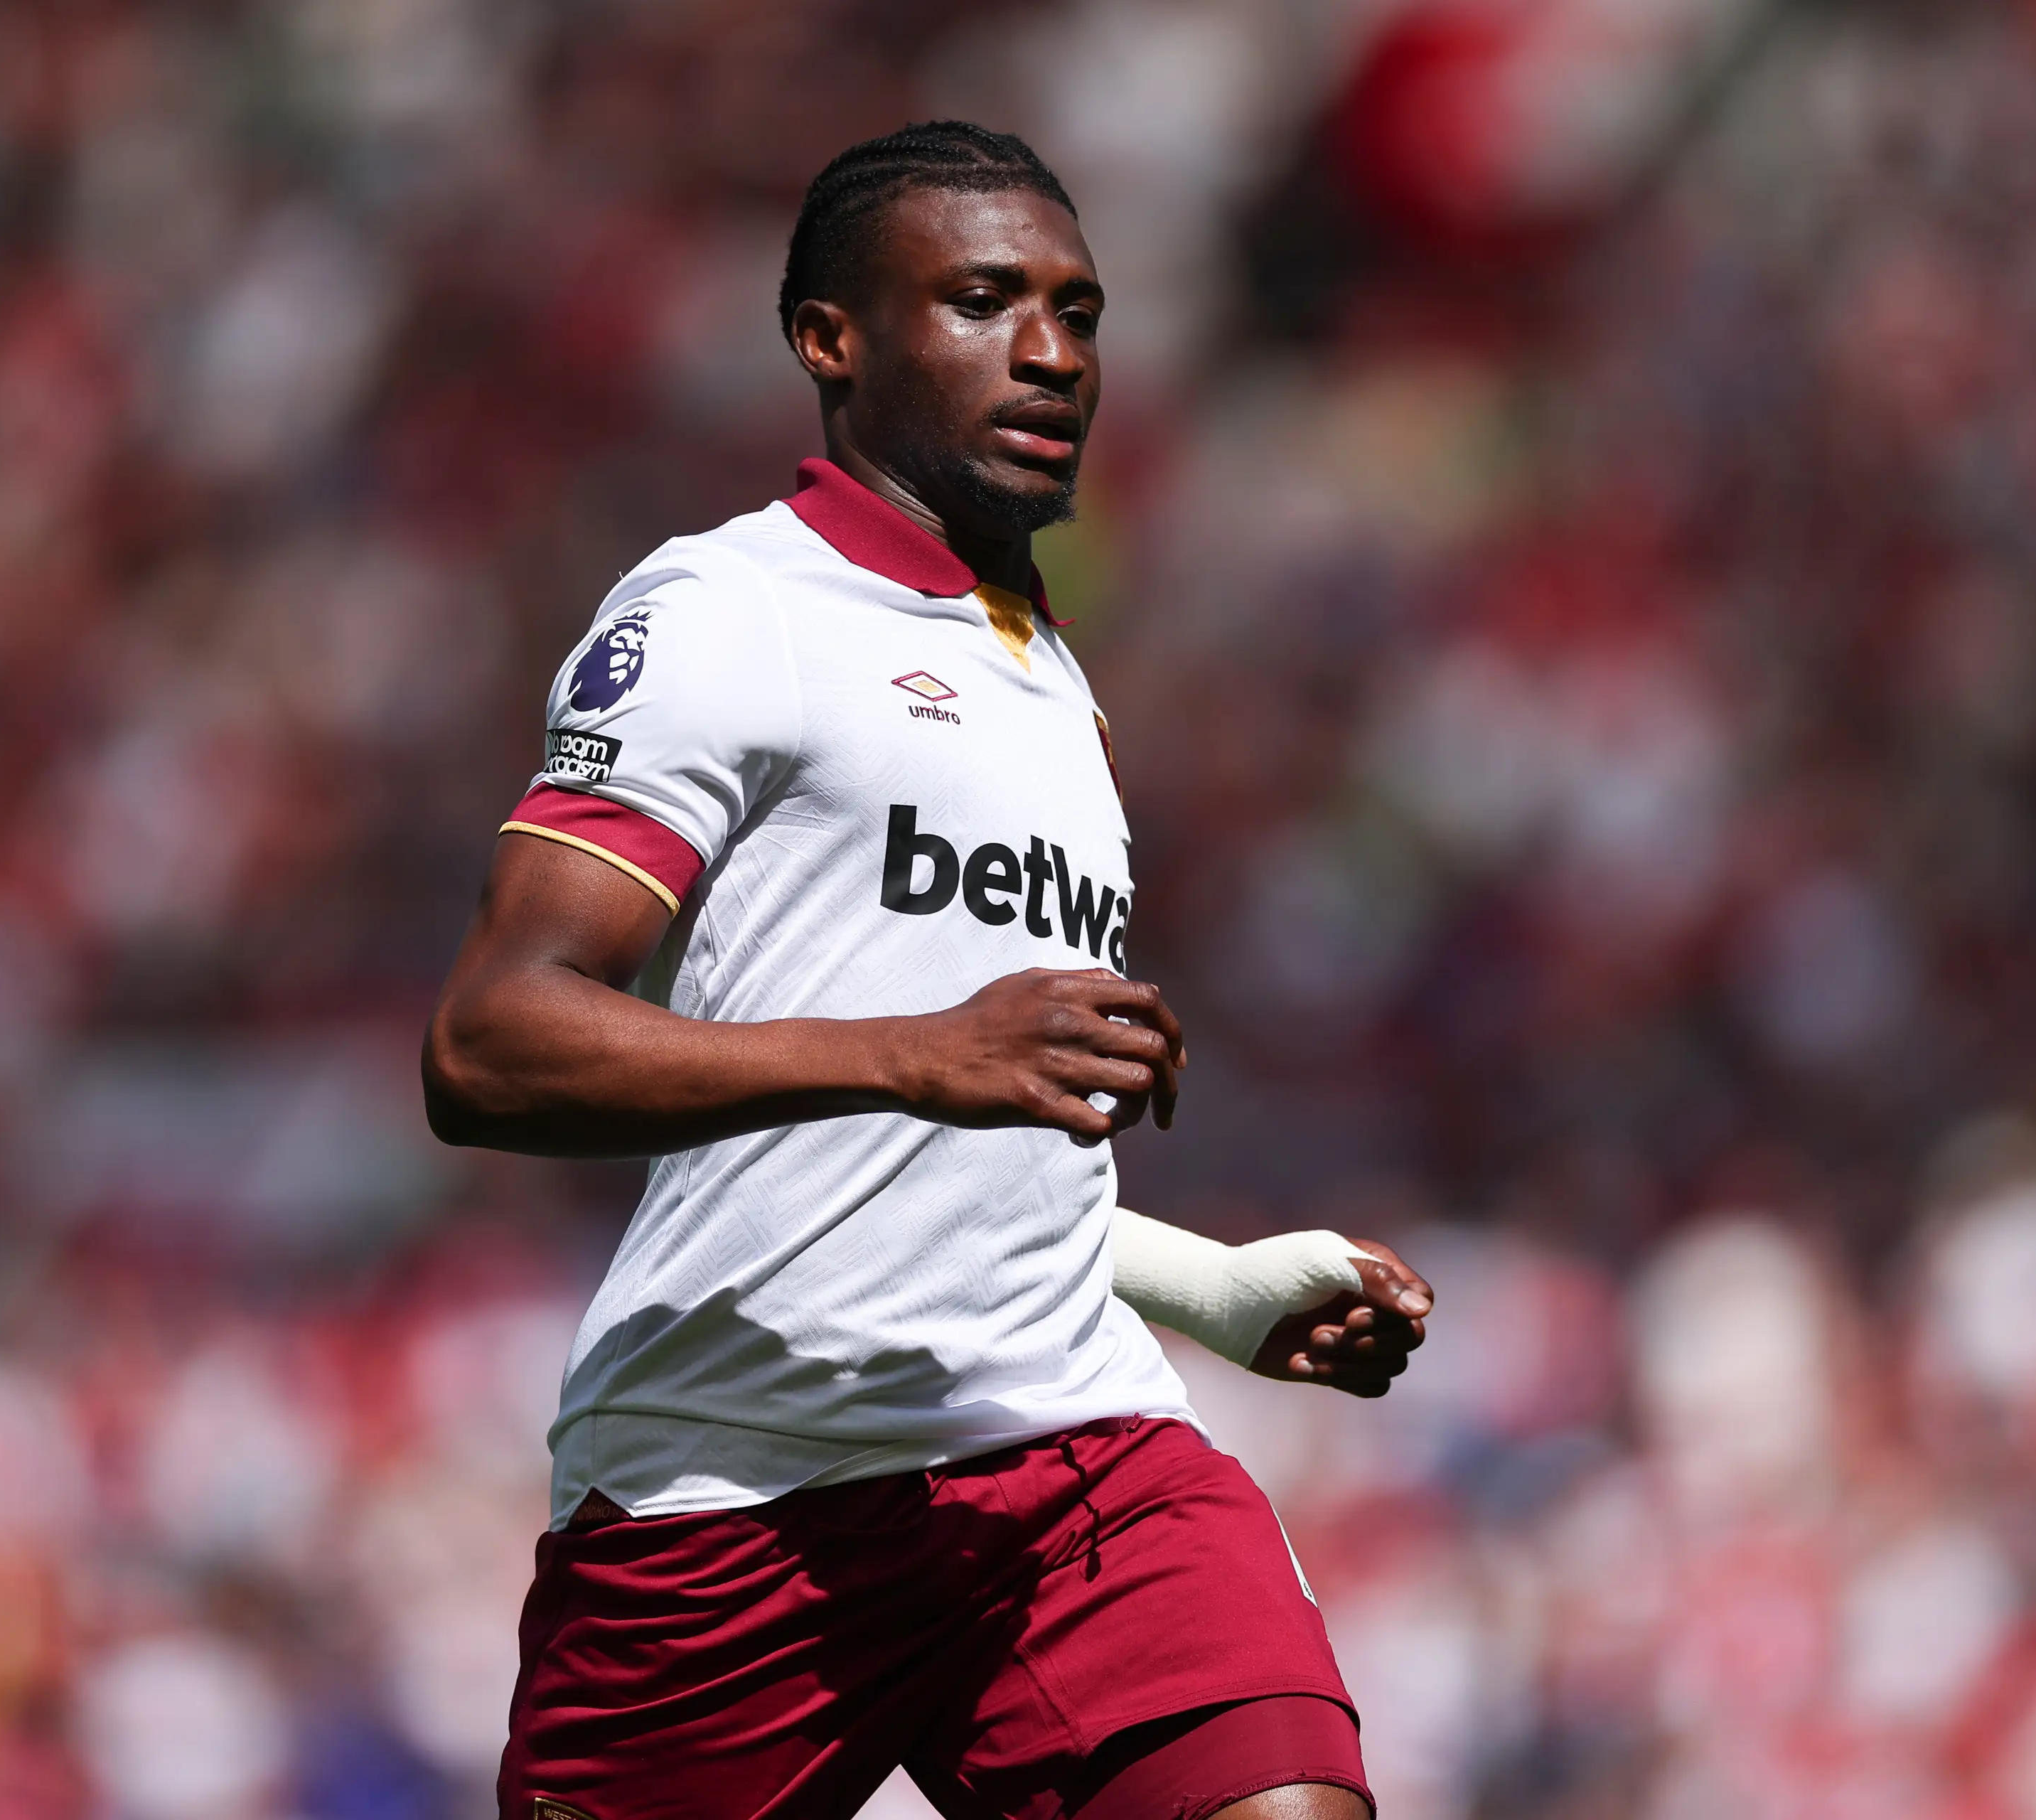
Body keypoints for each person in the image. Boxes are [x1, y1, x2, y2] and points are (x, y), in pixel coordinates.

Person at [424, 122, 1434, 1820]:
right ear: (831, 338)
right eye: (982, 301)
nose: (1051, 351)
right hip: (733, 1494)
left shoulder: (1052, 683)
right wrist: (922, 1050)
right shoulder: (727, 611)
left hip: (1069, 1457)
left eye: (1079, 311)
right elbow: (489, 1043)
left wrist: (1212, 1293)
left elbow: (952, 1144)